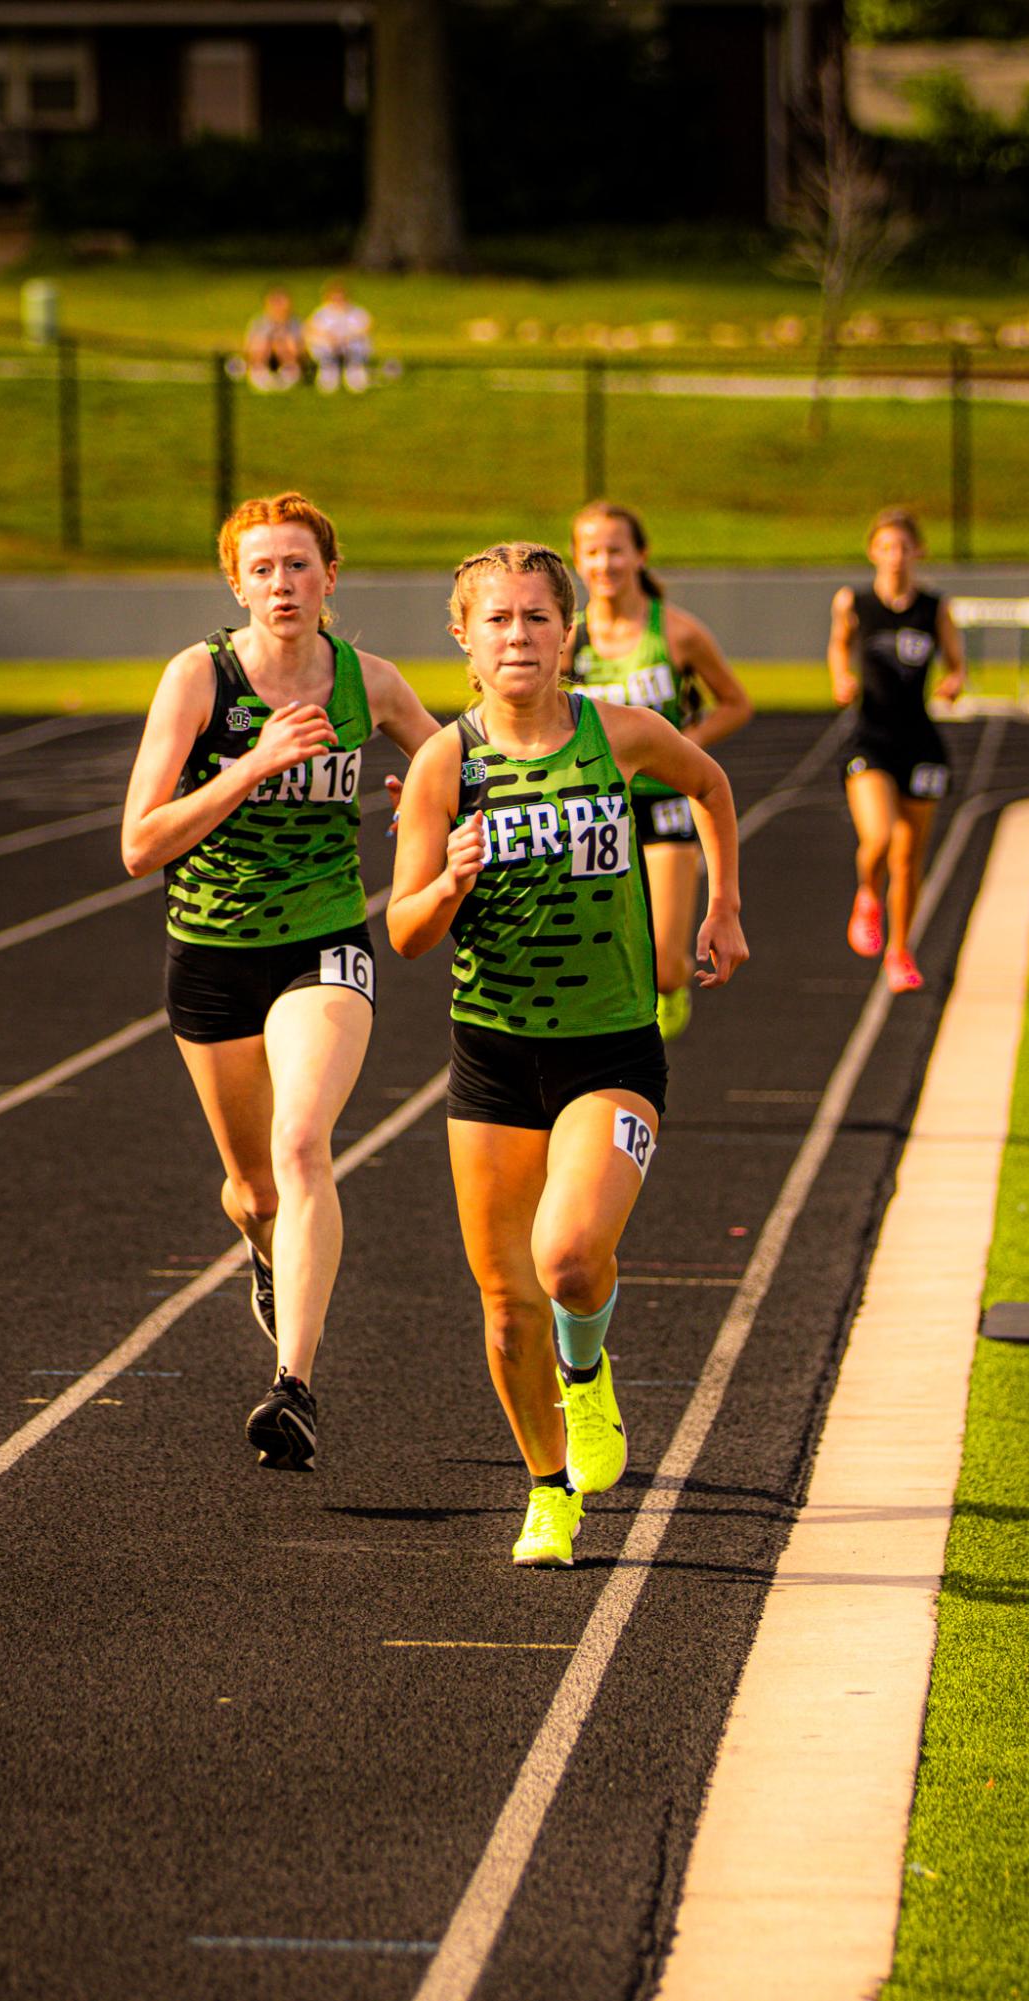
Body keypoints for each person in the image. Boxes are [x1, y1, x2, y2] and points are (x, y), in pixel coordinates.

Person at [388, 543, 747, 1567]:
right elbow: (407, 931)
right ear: (462, 637)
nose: (517, 637)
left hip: (609, 1050)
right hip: (494, 1059)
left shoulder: (618, 733)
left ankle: (584, 1377)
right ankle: (547, 1492)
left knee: (569, 1259)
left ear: (567, 632)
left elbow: (712, 786)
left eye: (535, 618)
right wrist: (448, 883)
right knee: (505, 1310)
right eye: (496, 620)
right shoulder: (443, 766)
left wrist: (721, 906)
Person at [121, 491, 439, 1468]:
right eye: (260, 569)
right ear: (236, 584)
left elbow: (454, 767)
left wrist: (417, 798)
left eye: (297, 565)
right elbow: (138, 845)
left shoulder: (368, 682)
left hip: (324, 941)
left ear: (329, 577)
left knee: (303, 1144)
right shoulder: (199, 679)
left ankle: (292, 1387)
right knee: (254, 1188)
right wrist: (249, 767)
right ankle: (266, 1251)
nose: (281, 584)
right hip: (211, 950)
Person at [564, 501, 753, 1043]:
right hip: (595, 807)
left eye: (616, 549)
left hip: (665, 802)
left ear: (640, 554)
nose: (605, 563)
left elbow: (736, 703)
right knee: (591, 952)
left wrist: (686, 744)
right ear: (578, 560)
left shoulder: (677, 632)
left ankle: (663, 995)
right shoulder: (565, 641)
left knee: (669, 968)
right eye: (593, 552)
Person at [827, 507, 965, 994]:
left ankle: (900, 950)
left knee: (910, 857)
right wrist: (840, 676)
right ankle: (868, 893)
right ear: (873, 552)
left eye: (904, 547)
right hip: (870, 735)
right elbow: (840, 645)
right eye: (886, 547)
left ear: (918, 551)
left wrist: (955, 680)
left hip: (920, 741)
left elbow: (955, 659)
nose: (895, 556)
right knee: (880, 839)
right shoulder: (856, 602)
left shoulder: (934, 606)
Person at [305, 280, 373, 394]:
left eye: (341, 297)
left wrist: (349, 337)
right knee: (320, 344)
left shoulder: (356, 312)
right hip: (329, 348)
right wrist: (328, 337)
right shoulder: (321, 313)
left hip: (350, 347)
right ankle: (329, 370)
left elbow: (366, 327)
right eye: (335, 297)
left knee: (358, 344)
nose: (338, 301)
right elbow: (310, 328)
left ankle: (354, 371)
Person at [244, 289, 306, 391]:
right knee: (263, 342)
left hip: (288, 356)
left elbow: (300, 348)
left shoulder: (295, 323)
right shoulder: (259, 322)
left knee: (285, 342)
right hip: (264, 356)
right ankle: (259, 372)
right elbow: (249, 347)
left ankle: (289, 372)